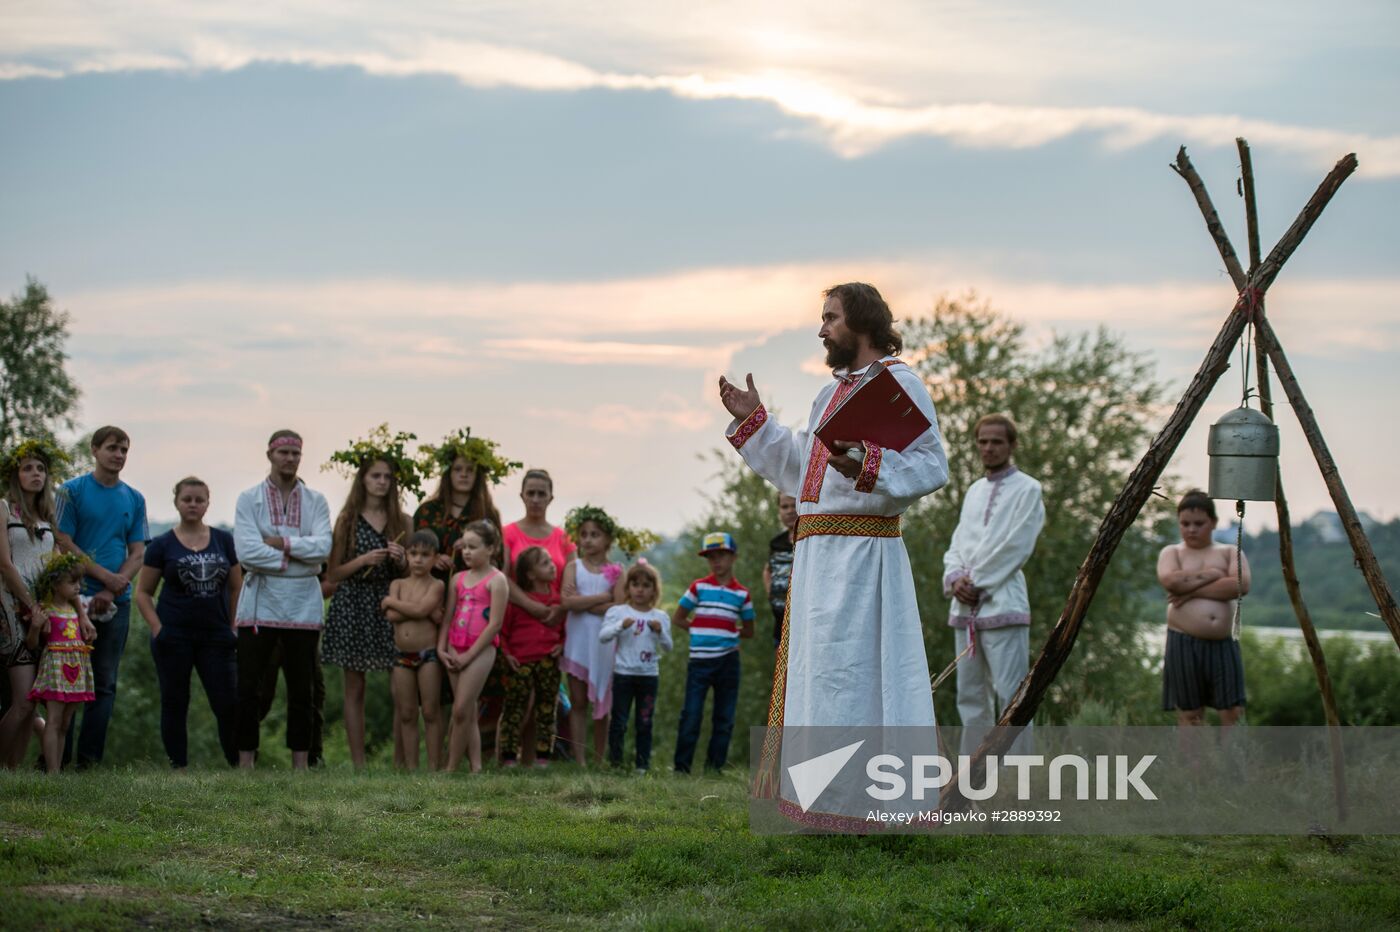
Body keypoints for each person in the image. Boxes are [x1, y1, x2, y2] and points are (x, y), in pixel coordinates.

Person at [718, 283, 948, 810]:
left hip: (865, 558)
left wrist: (866, 461)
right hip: (817, 557)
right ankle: (825, 799)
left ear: (862, 322)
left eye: (831, 318)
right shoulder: (829, 394)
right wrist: (756, 422)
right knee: (820, 676)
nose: (822, 330)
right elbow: (802, 466)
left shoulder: (901, 384)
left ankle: (873, 801)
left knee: (861, 674)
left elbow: (932, 465)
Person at [942, 414, 1045, 755]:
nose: (988, 448)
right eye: (983, 441)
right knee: (970, 696)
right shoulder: (974, 491)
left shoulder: (1029, 489)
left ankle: (1017, 772)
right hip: (964, 606)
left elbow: (1017, 545)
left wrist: (978, 583)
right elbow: (958, 542)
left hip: (1003, 602)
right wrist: (955, 578)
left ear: (1012, 445)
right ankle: (973, 771)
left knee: (1012, 695)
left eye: (996, 441)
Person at [233, 429, 333, 770]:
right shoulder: (249, 499)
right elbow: (247, 552)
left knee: (302, 688)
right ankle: (245, 762)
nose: (290, 459)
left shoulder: (316, 501)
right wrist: (300, 558)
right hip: (259, 603)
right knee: (249, 687)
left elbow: (323, 548)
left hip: (303, 604)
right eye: (283, 453)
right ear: (270, 455)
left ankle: (300, 764)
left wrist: (281, 543)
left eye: (295, 453)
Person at [53, 426, 148, 768]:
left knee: (104, 683)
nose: (119, 455)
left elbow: (137, 551)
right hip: (72, 600)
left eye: (124, 450)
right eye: (112, 448)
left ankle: (89, 762)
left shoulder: (134, 498)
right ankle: (56, 759)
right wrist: (103, 577)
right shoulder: (71, 491)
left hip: (116, 604)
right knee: (66, 682)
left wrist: (111, 589)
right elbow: (64, 541)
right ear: (94, 450)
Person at [135, 477, 242, 768]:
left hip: (217, 636)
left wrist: (234, 626)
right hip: (174, 636)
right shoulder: (161, 545)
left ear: (207, 503)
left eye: (199, 500)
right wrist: (157, 629)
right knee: (175, 702)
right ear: (177, 502)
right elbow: (143, 593)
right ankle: (178, 767)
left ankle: (239, 765)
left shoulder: (224, 540)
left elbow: (236, 587)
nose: (193, 505)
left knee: (228, 702)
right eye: (187, 499)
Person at [321, 445, 413, 769]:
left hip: (391, 604)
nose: (382, 482)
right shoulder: (347, 520)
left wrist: (402, 559)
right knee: (354, 686)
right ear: (363, 479)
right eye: (376, 475)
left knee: (400, 687)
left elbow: (410, 574)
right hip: (353, 604)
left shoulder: (403, 520)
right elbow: (333, 573)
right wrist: (363, 560)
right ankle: (359, 764)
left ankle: (401, 762)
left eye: (387, 477)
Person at [1157, 489, 1250, 728]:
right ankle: (1192, 756)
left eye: (1199, 523)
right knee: (1190, 713)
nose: (1191, 529)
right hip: (1183, 641)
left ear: (1213, 522)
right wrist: (1212, 574)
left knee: (1233, 710)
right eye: (1185, 524)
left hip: (1223, 642)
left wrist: (1190, 591)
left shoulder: (1229, 552)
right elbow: (1171, 582)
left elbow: (1240, 585)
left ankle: (1233, 754)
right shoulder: (1172, 552)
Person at [501, 469, 575, 759]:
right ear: (521, 495)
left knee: (546, 698)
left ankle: (536, 758)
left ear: (551, 497)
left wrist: (559, 612)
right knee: (518, 698)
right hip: (518, 623)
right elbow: (502, 577)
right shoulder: (508, 533)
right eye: (530, 493)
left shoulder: (564, 538)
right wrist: (531, 606)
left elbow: (571, 579)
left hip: (553, 627)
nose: (535, 499)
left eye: (541, 493)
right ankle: (508, 754)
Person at [0, 438, 65, 768]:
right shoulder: (3, 509)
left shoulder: (48, 518)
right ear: (16, 475)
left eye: (41, 468)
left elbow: (57, 569)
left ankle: (12, 773)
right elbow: (4, 564)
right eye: (28, 468)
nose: (36, 474)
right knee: (24, 699)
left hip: (43, 611)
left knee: (34, 701)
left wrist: (63, 608)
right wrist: (30, 604)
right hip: (11, 607)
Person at [672, 532, 753, 773]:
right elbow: (678, 618)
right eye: (711, 557)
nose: (716, 561)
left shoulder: (742, 594)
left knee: (724, 718)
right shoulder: (698, 587)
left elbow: (749, 630)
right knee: (691, 714)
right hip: (699, 662)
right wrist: (700, 630)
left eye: (721, 555)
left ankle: (713, 768)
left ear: (733, 557)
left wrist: (728, 633)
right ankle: (681, 769)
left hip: (728, 662)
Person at [559, 505, 626, 766]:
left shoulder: (617, 571)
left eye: (595, 534)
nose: (587, 540)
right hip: (577, 642)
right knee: (577, 701)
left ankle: (598, 759)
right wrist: (601, 598)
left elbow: (618, 608)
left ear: (608, 539)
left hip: (604, 644)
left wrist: (582, 602)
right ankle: (580, 760)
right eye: (584, 534)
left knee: (602, 703)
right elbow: (567, 602)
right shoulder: (573, 567)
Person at [440, 519, 507, 772]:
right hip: (454, 648)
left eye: (473, 547)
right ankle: (476, 767)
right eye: (464, 547)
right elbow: (448, 617)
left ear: (490, 548)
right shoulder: (457, 579)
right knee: (467, 710)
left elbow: (495, 624)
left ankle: (450, 768)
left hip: (479, 651)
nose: (466, 552)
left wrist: (468, 656)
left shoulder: (497, 580)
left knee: (460, 710)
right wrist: (441, 649)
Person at [25, 552, 96, 774]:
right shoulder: (45, 610)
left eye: (79, 582)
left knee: (65, 723)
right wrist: (35, 627)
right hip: (56, 669)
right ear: (56, 585)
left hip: (76, 668)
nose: (78, 587)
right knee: (54, 720)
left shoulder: (76, 611)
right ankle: (52, 770)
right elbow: (32, 644)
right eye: (72, 582)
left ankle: (57, 769)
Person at [382, 530, 446, 771]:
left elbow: (419, 610)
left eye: (425, 555)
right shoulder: (397, 584)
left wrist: (391, 602)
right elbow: (392, 616)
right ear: (406, 555)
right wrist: (420, 610)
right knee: (407, 713)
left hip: (427, 655)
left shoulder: (437, 585)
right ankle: (411, 768)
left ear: (435, 558)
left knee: (430, 711)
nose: (418, 559)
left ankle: (433, 768)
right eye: (414, 553)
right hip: (402, 656)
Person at [497, 546, 564, 768]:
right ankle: (508, 757)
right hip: (520, 663)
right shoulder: (517, 602)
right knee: (514, 709)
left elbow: (565, 630)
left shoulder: (558, 601)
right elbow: (502, 632)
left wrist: (562, 645)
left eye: (551, 561)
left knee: (547, 709)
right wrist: (507, 654)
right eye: (545, 563)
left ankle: (543, 757)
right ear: (530, 574)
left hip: (548, 662)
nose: (552, 566)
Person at [600, 561, 671, 773]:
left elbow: (668, 647)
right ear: (628, 587)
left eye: (646, 585)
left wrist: (660, 632)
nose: (640, 590)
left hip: (649, 676)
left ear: (654, 590)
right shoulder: (618, 612)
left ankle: (642, 766)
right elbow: (603, 636)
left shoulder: (660, 617)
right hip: (623, 675)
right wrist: (620, 626)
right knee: (619, 721)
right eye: (635, 584)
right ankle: (615, 763)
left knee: (645, 721)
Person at [413, 429, 510, 579]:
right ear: (448, 474)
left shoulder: (488, 513)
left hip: (472, 588)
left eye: (470, 470)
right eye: (458, 469)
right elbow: (410, 551)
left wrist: (473, 548)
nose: (464, 474)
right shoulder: (427, 511)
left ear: (478, 476)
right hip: (429, 587)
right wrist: (432, 559)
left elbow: (497, 560)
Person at [763, 494, 798, 649]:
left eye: (793, 505)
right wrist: (770, 594)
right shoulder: (776, 543)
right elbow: (768, 569)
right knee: (780, 658)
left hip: (800, 614)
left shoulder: (809, 538)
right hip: (779, 615)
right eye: (784, 507)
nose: (790, 511)